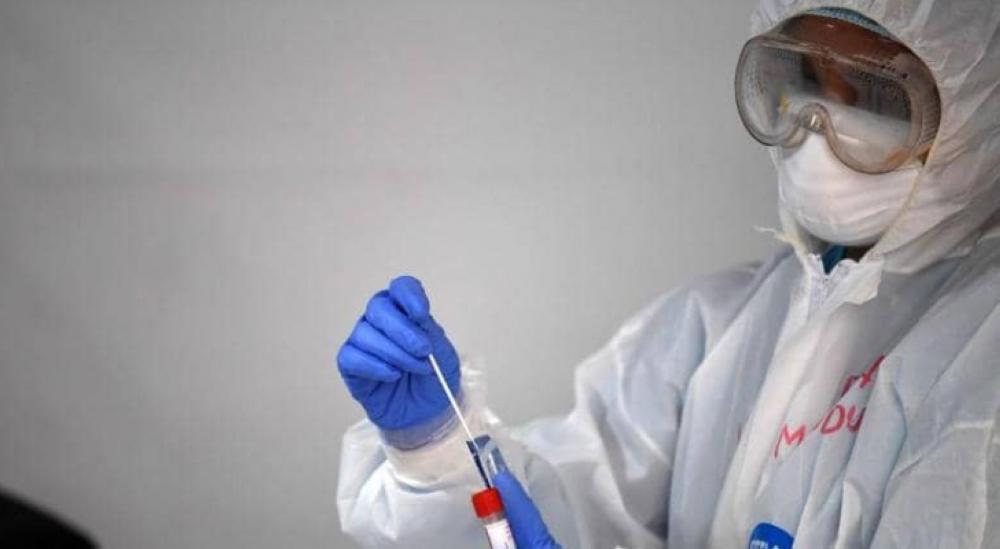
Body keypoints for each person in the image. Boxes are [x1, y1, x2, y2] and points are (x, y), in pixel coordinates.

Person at [336, 1, 1000, 547]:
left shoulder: (981, 353)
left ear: (974, 109)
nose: (818, 126)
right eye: (804, 79)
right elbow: (565, 499)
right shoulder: (718, 330)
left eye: (875, 94)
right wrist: (435, 452)